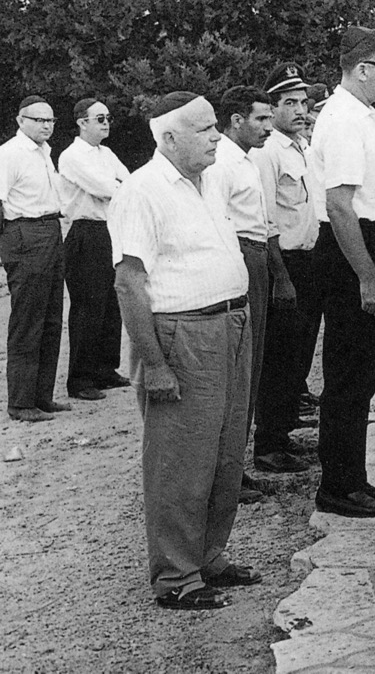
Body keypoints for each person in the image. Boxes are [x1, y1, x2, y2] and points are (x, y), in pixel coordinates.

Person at [110, 91, 259, 610]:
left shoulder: (211, 180)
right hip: (183, 335)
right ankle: (176, 575)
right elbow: (129, 284)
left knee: (224, 450)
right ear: (169, 137)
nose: (217, 136)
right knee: (180, 460)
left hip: (230, 323)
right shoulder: (142, 190)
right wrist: (153, 363)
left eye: (216, 126)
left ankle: (208, 556)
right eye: (205, 129)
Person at [310, 26, 375, 518]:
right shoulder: (344, 119)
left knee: (362, 371)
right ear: (363, 69)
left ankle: (354, 476)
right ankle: (337, 488)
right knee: (348, 372)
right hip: (353, 247)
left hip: (369, 239)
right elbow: (340, 205)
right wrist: (368, 277)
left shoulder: (364, 115)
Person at [210, 86, 308, 498]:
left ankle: (236, 466)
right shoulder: (221, 164)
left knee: (252, 367)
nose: (269, 126)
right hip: (238, 257)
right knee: (237, 373)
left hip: (257, 257)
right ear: (236, 120)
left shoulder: (246, 159)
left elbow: (265, 224)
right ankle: (224, 475)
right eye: (261, 119)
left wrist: (278, 274)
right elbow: (220, 224)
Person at [250, 62, 322, 472]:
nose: (300, 110)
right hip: (286, 262)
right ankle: (269, 444)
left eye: (303, 102)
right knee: (280, 355)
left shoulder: (301, 147)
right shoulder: (268, 153)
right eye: (289, 103)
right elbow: (266, 221)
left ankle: (285, 427)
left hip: (308, 257)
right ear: (272, 108)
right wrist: (280, 276)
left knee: (299, 351)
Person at [58, 97, 131, 402]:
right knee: (88, 306)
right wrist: (116, 188)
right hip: (87, 233)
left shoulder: (107, 152)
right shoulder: (73, 156)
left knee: (112, 304)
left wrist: (118, 188)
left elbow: (127, 182)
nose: (106, 123)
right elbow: (106, 188)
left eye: (108, 118)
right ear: (82, 122)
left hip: (111, 230)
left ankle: (105, 369)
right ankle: (80, 378)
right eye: (99, 118)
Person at [0, 96, 68, 423]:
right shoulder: (10, 154)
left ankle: (42, 396)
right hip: (25, 233)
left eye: (50, 120)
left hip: (51, 229)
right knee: (28, 319)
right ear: (20, 120)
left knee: (52, 317)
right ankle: (21, 402)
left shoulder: (44, 152)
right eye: (38, 120)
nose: (46, 126)